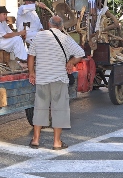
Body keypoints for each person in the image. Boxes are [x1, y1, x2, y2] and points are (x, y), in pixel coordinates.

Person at [27, 16, 84, 149]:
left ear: (49, 24)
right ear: (61, 26)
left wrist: (31, 73)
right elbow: (80, 53)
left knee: (40, 108)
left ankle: (35, 140)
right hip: (59, 78)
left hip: (42, 78)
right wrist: (71, 62)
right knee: (59, 109)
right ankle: (57, 142)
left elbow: (31, 56)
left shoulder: (39, 36)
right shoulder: (65, 38)